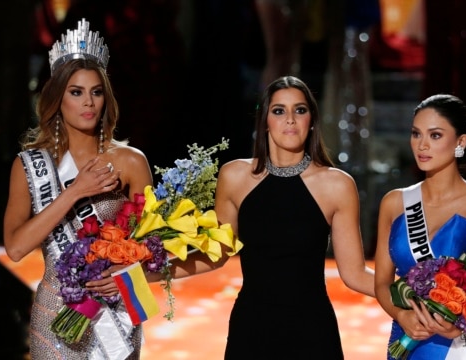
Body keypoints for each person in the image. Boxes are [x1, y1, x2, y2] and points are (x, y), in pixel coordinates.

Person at [150, 75, 375, 359]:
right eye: (279, 110)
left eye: (300, 110)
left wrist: (411, 294)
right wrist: (149, 272)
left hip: (312, 331)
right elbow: (216, 254)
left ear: (312, 120)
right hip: (252, 328)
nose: (290, 119)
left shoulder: (337, 185)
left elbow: (355, 273)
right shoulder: (234, 177)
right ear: (265, 121)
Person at [3, 19, 153, 359]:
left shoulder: (130, 162)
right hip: (56, 313)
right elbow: (15, 247)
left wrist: (129, 281)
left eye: (96, 92)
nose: (88, 102)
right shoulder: (29, 166)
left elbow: (153, 246)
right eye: (76, 92)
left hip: (118, 312)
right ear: (58, 98)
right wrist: (73, 192)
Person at [374, 94, 466, 359]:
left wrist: (463, 321)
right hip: (407, 340)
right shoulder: (394, 202)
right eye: (416, 134)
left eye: (435, 136)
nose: (422, 145)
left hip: (462, 344)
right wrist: (401, 314)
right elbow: (381, 283)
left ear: (460, 142)